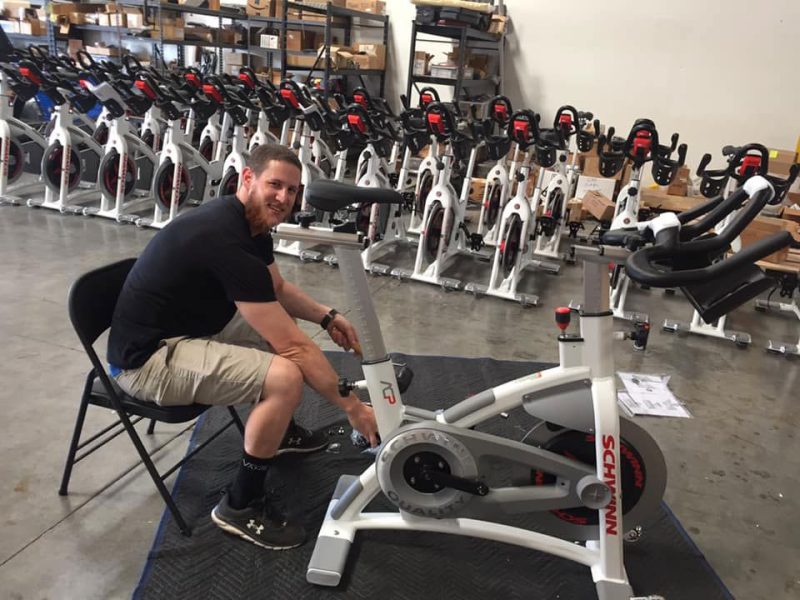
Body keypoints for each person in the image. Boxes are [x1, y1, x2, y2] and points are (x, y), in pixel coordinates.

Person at [107, 143, 379, 550]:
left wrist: (327, 315)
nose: (284, 199)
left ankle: (279, 432)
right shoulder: (224, 238)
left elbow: (277, 288)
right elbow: (296, 349)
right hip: (146, 361)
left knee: (276, 338)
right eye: (275, 185)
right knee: (285, 375)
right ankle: (239, 503)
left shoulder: (250, 225)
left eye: (292, 190)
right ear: (247, 179)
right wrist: (354, 410)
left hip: (186, 330)